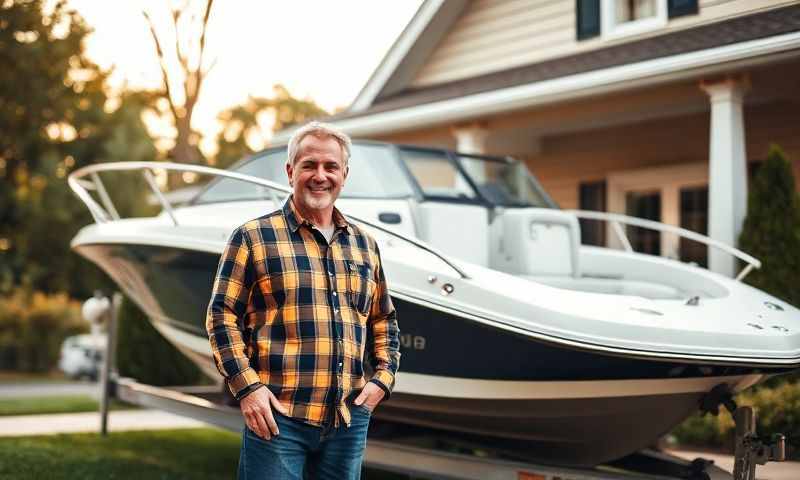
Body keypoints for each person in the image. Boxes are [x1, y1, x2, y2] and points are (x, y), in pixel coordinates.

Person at [206, 121, 400, 479]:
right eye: (309, 165)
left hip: (347, 419)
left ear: (345, 174)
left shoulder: (364, 245)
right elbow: (221, 316)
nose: (320, 176)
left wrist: (383, 379)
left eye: (331, 167)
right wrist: (247, 389)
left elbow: (383, 320)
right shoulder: (252, 237)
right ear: (290, 171)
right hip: (277, 418)